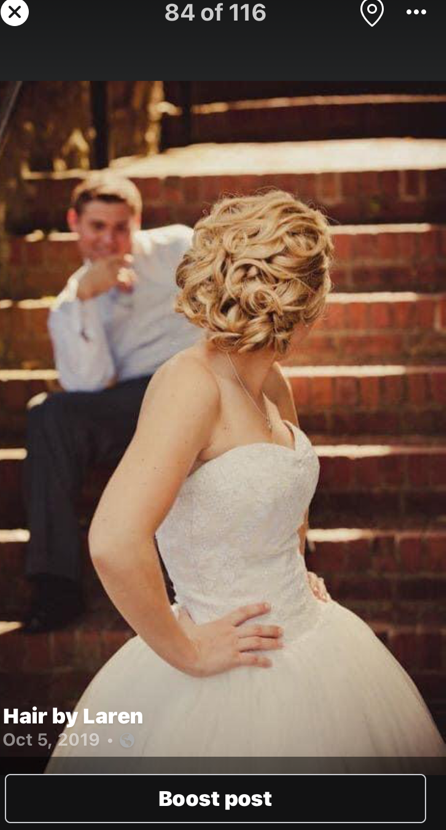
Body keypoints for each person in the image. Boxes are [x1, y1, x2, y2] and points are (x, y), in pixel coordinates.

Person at [46, 190, 446, 760]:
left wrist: (291, 567)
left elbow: (282, 492)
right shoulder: (191, 383)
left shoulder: (270, 379)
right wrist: (187, 651)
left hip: (312, 637)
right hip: (228, 663)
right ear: (309, 298)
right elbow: (113, 541)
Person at [23, 172, 202, 633]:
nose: (108, 239)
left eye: (120, 226)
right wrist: (86, 300)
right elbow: (89, 382)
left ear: (137, 222)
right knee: (49, 412)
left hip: (194, 384)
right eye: (97, 226)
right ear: (74, 224)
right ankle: (55, 587)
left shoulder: (178, 247)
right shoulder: (69, 303)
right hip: (129, 405)